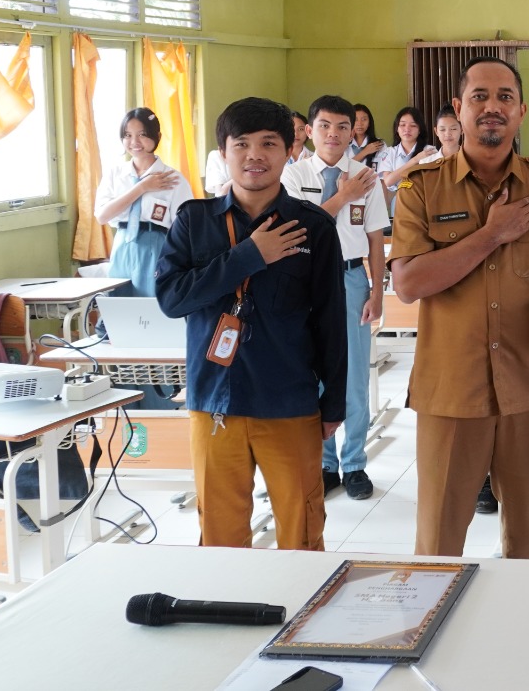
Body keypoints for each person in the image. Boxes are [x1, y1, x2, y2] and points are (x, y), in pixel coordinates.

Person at [389, 57, 529, 559]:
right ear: (459, 110)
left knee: (527, 536)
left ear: (521, 111)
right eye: (479, 96)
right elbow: (409, 283)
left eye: (505, 97)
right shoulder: (421, 188)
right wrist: (492, 234)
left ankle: (519, 633)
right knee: (439, 538)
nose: (492, 108)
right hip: (451, 388)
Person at [155, 98, 346, 549]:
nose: (254, 155)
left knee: (301, 527)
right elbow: (171, 298)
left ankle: (301, 613)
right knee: (220, 533)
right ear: (224, 153)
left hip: (289, 402)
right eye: (241, 144)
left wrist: (333, 404)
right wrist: (248, 257)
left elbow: (331, 321)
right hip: (214, 400)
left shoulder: (312, 226)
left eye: (268, 144)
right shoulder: (194, 221)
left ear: (288, 152)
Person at [282, 95, 389, 500]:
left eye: (342, 127)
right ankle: (324, 463)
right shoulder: (294, 176)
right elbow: (301, 230)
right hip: (306, 283)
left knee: (355, 376)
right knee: (313, 373)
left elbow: (376, 239)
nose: (333, 134)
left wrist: (378, 291)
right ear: (310, 131)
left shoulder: (367, 175)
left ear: (352, 132)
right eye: (324, 126)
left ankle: (355, 462)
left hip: (350, 280)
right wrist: (342, 197)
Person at [93, 107, 194, 297]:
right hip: (122, 244)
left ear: (157, 136)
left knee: (153, 307)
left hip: (157, 246)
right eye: (128, 135)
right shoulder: (115, 174)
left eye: (142, 135)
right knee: (119, 305)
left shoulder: (173, 178)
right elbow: (102, 216)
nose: (134, 142)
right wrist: (142, 187)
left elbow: (185, 228)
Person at [377, 106, 437, 211]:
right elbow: (388, 181)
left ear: (419, 130)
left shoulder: (429, 151)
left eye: (413, 125)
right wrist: (415, 160)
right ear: (397, 128)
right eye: (402, 125)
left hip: (426, 201)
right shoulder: (389, 152)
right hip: (399, 202)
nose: (407, 129)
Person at [349, 104, 383, 169]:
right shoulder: (343, 144)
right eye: (356, 119)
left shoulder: (379, 144)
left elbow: (383, 171)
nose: (360, 123)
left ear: (369, 122)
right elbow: (344, 168)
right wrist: (365, 152)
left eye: (364, 119)